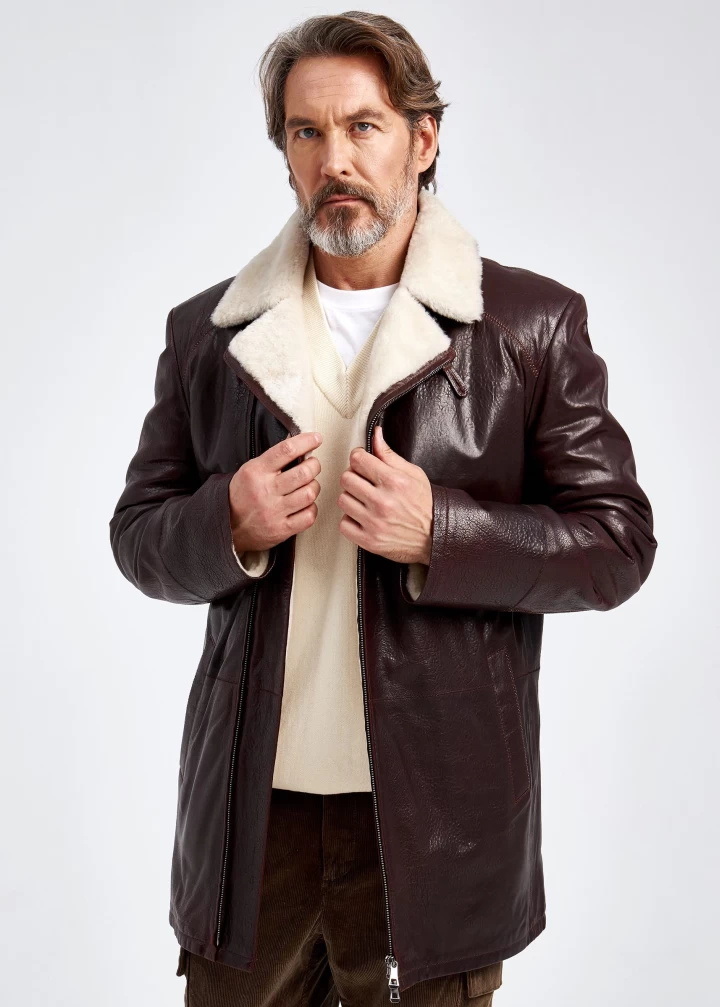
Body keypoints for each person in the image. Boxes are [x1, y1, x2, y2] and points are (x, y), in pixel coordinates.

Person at [109, 10, 657, 1006]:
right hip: (251, 821)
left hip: (432, 824)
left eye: (363, 125)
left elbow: (617, 542)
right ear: (284, 152)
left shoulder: (530, 326)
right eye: (306, 131)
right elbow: (137, 535)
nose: (335, 159)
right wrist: (226, 523)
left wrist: (443, 530)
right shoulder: (209, 334)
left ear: (423, 138)